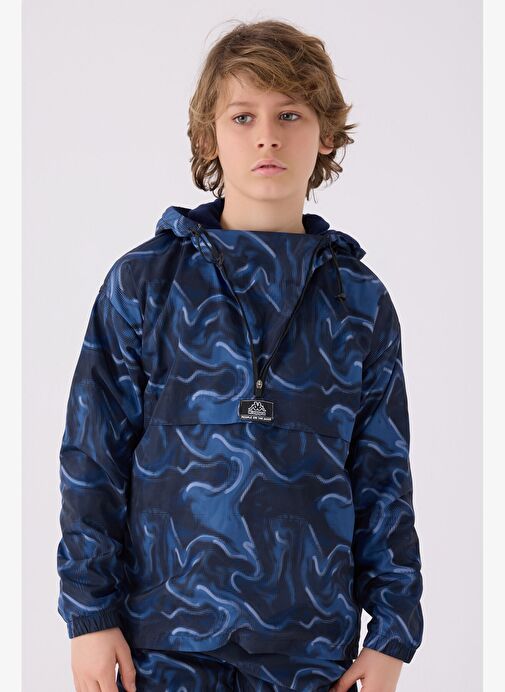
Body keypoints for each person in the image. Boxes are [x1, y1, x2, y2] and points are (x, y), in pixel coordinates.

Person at [56, 18, 424, 692]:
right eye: (243, 115)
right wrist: (89, 616)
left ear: (326, 134)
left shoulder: (358, 300)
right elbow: (93, 455)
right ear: (208, 137)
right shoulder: (145, 282)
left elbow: (382, 475)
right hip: (160, 643)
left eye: (290, 114)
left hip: (311, 650)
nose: (267, 136)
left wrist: (393, 633)